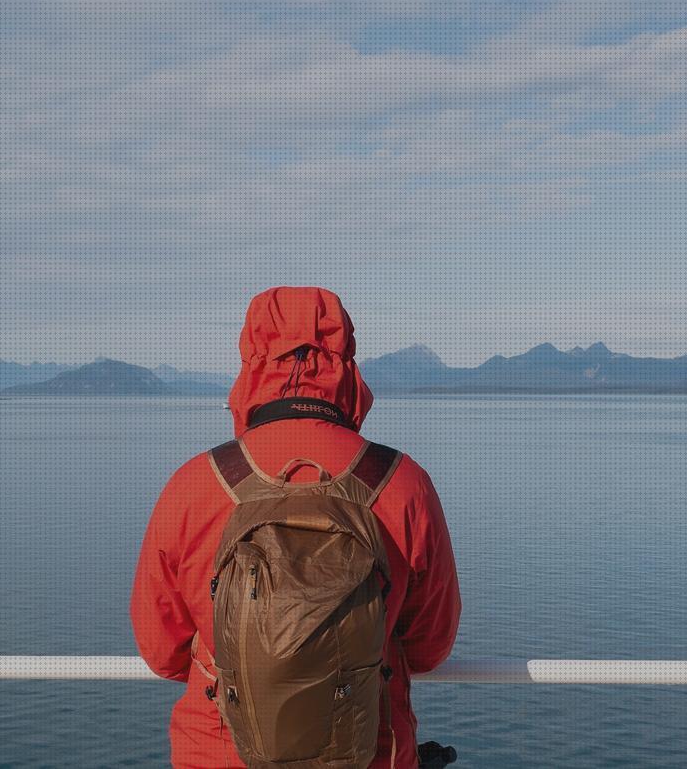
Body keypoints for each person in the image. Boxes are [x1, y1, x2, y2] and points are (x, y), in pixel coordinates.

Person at [131, 286, 461, 768]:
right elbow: (431, 646)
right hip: (372, 753)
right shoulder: (402, 484)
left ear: (249, 362)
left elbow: (162, 653)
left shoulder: (195, 485)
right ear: (348, 363)